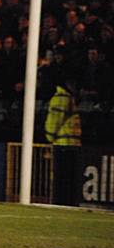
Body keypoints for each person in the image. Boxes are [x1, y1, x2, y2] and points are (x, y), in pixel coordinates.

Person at [45, 76, 82, 205]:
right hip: (69, 144)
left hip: (64, 144)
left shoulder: (63, 98)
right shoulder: (66, 99)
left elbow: (53, 121)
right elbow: (56, 120)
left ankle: (61, 203)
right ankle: (67, 203)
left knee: (62, 180)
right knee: (68, 180)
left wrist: (49, 137)